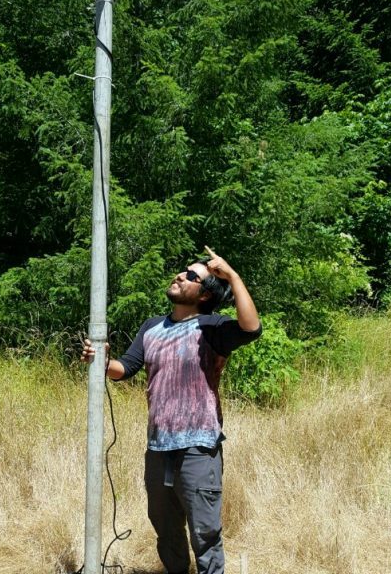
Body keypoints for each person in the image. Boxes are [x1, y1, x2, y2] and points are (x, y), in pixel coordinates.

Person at [81, 246, 262, 574]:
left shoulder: (213, 327)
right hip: (158, 448)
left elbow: (251, 329)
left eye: (192, 276)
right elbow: (127, 368)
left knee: (205, 534)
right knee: (166, 532)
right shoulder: (152, 327)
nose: (180, 275)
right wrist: (102, 363)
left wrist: (232, 275)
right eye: (184, 271)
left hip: (198, 449)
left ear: (205, 295)